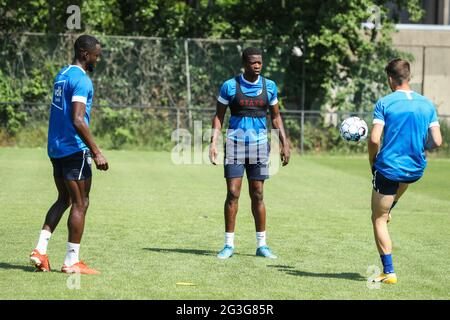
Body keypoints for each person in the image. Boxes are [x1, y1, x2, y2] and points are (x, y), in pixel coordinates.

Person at [30, 35, 109, 274]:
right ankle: (71, 261)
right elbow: (77, 119)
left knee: (64, 199)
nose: (98, 58)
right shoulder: (82, 80)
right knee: (80, 202)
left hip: (55, 148)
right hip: (74, 149)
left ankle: (40, 251)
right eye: (96, 54)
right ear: (85, 54)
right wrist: (96, 151)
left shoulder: (62, 75)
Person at [209, 47, 290, 259]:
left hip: (260, 146)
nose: (257, 66)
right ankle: (228, 245)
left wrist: (284, 142)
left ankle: (262, 245)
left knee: (258, 194)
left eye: (260, 63)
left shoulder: (269, 86)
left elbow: (275, 117)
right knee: (233, 193)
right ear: (244, 64)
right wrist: (213, 142)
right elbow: (218, 116)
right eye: (253, 62)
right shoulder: (230, 86)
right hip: (235, 145)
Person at [369, 58, 442, 284]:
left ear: (390, 79)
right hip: (415, 169)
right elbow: (437, 141)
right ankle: (391, 207)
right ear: (409, 77)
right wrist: (419, 146)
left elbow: (373, 139)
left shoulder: (385, 103)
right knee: (397, 189)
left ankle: (388, 272)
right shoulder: (427, 104)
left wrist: (373, 163)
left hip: (389, 168)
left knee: (378, 218)